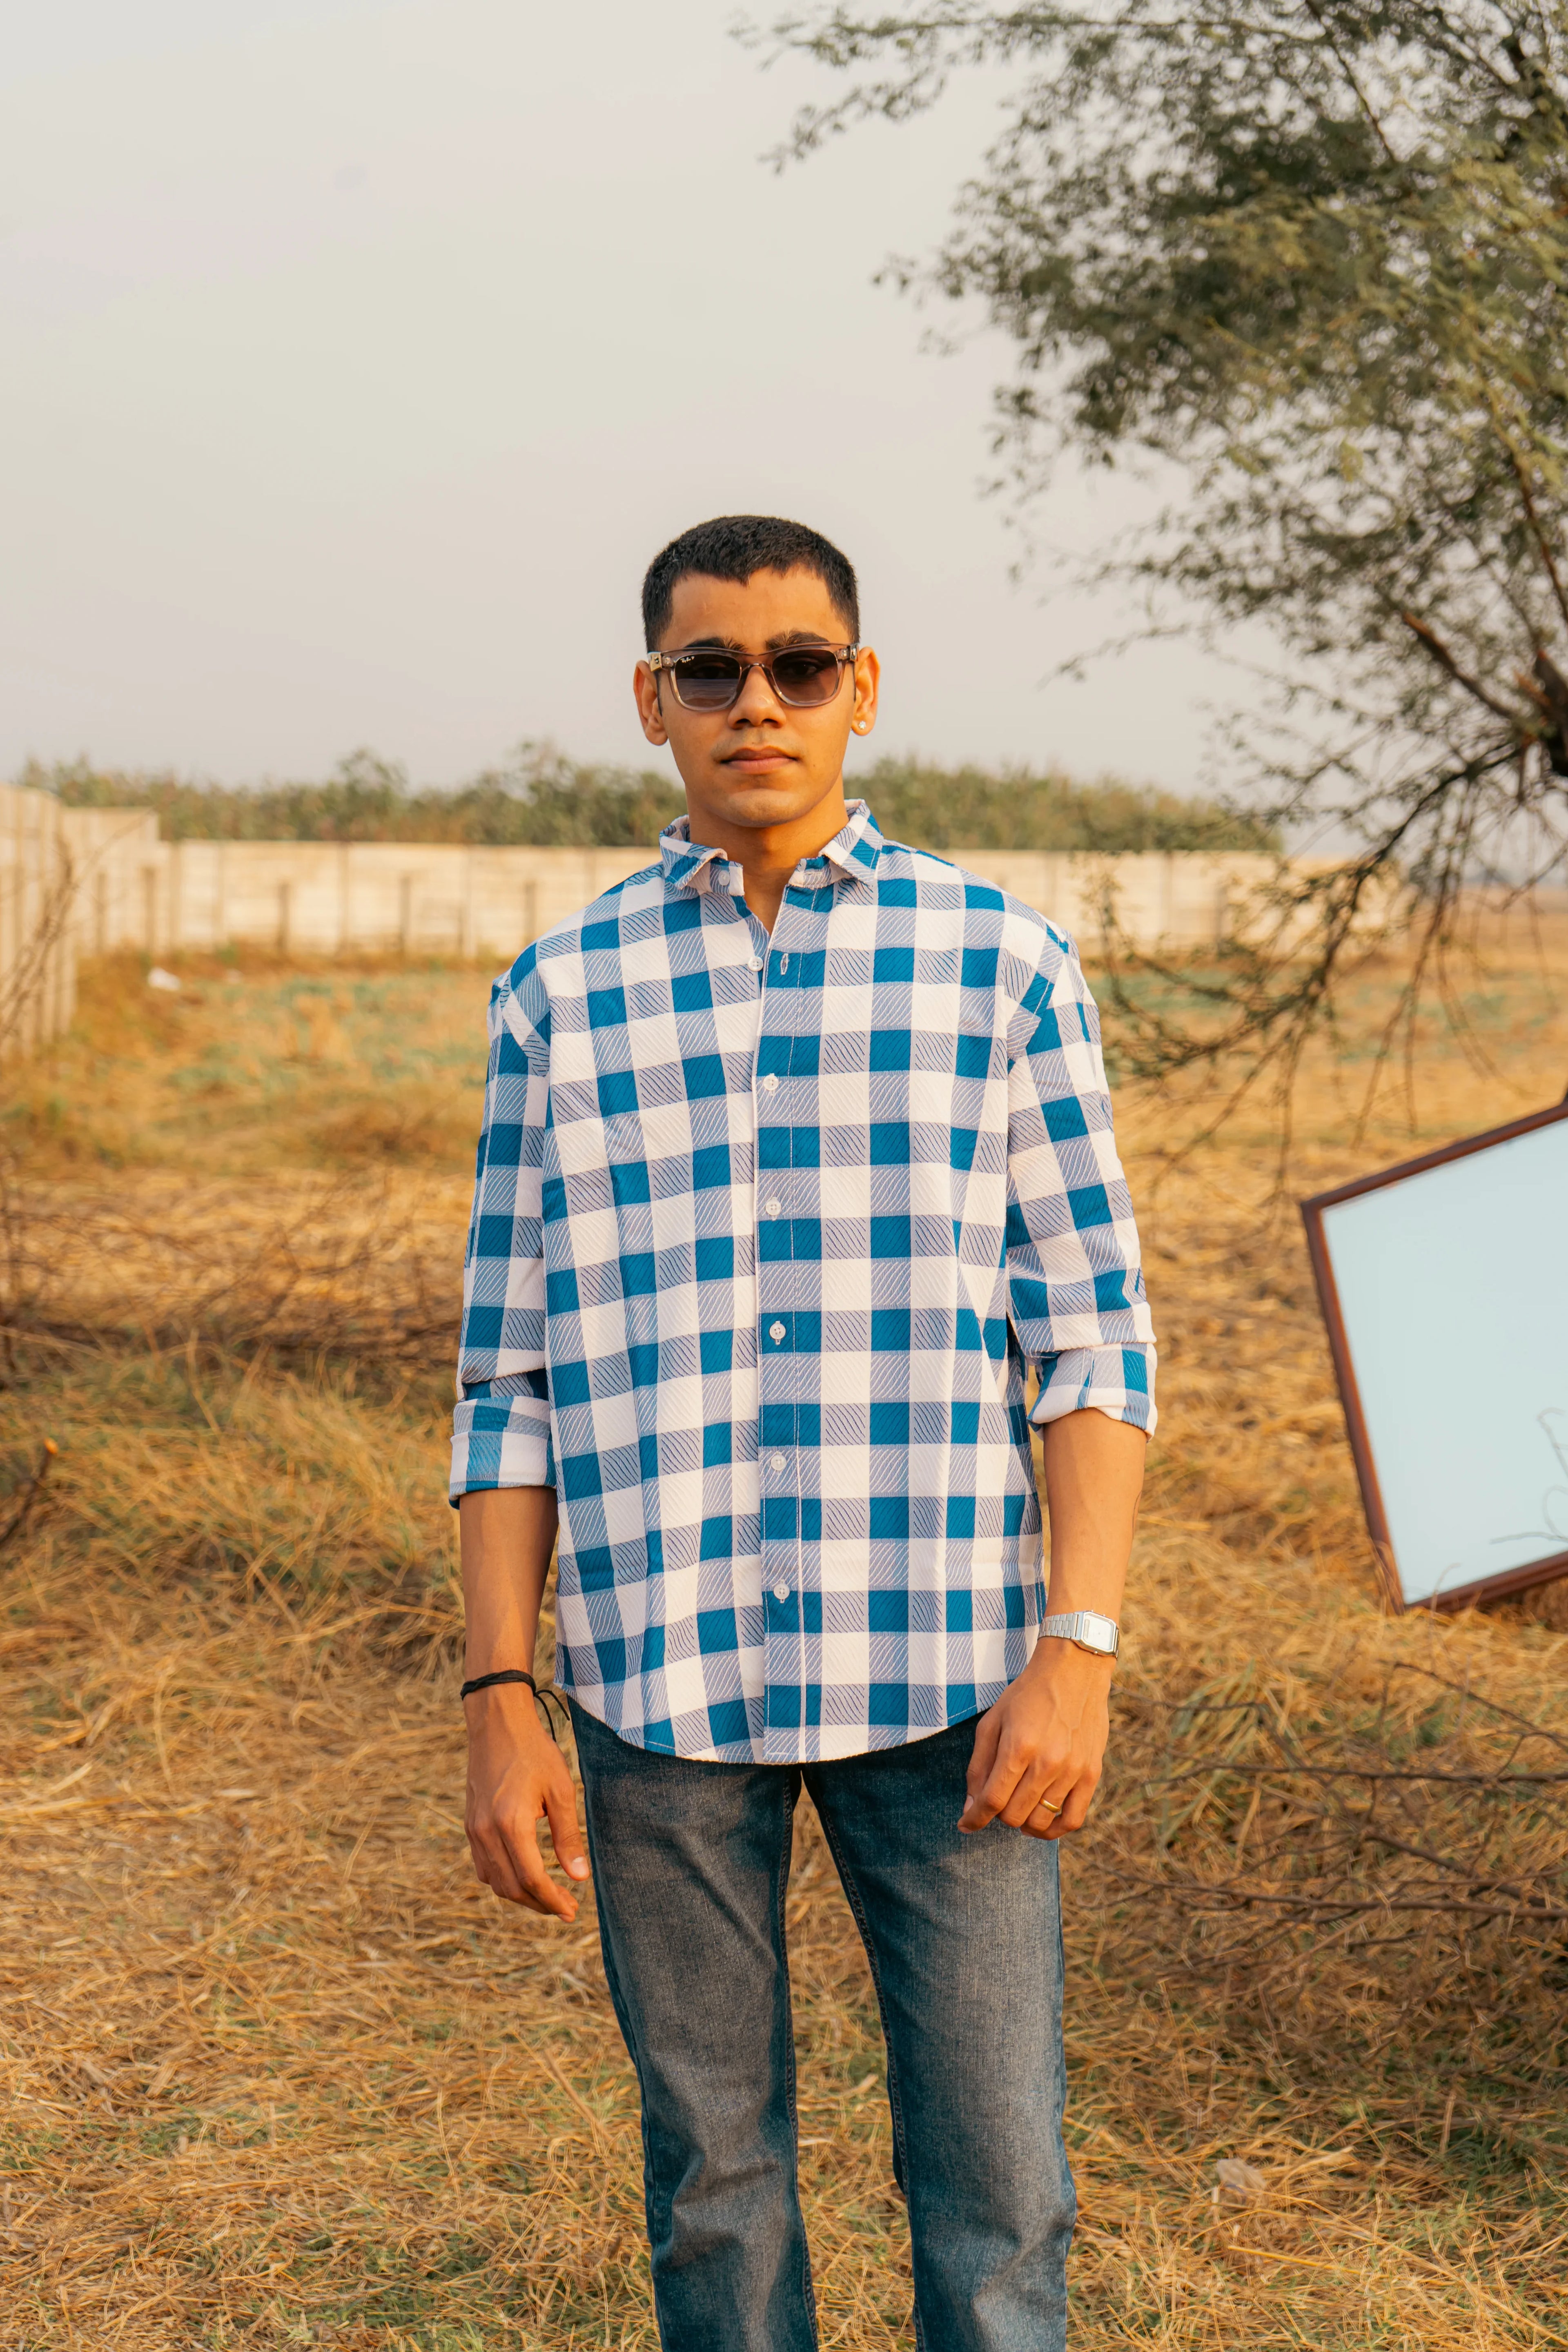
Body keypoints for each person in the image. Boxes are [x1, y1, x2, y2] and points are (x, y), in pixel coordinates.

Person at [452, 514, 1155, 2352]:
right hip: (654, 1687)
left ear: (861, 691)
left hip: (955, 1687)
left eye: (797, 666)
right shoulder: (560, 999)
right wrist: (497, 1693)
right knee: (712, 2192)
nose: (754, 702)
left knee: (1001, 2200)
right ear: (652, 701)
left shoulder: (997, 966)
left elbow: (1092, 1342)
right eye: (711, 669)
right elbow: (507, 1374)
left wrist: (1075, 1652)